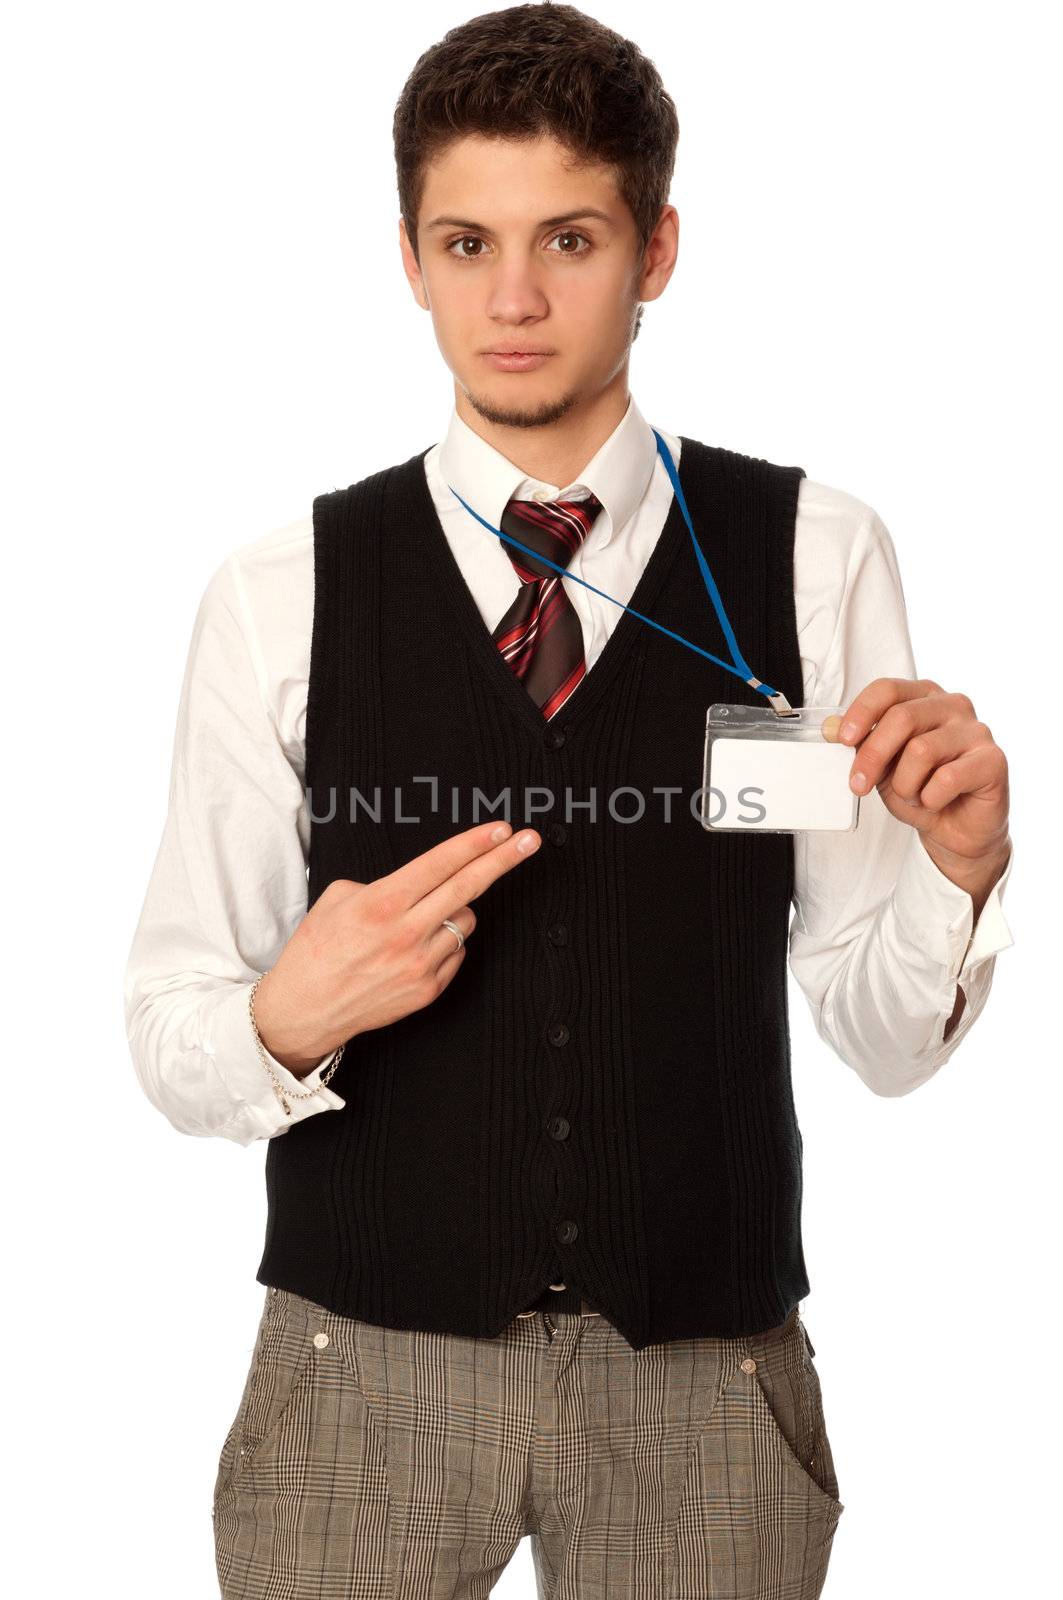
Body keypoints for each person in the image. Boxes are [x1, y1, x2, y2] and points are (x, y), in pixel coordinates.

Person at [123, 5, 1014, 1595]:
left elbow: (879, 1039)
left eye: (571, 239)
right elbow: (171, 1025)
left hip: (706, 1383)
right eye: (466, 242)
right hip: (359, 1370)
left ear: (657, 247)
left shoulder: (814, 555)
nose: (513, 299)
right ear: (409, 255)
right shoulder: (279, 596)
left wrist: (960, 870)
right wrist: (285, 1016)